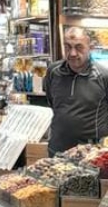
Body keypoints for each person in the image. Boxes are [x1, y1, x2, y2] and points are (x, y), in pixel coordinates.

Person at [44, 27, 108, 155]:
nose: (72, 53)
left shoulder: (103, 76)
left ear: (90, 48)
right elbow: (52, 102)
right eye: (67, 47)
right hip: (57, 151)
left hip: (91, 154)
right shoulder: (53, 72)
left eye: (79, 47)